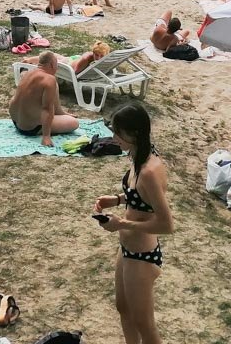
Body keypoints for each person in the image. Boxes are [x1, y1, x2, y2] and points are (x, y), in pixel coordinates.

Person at [92, 103, 174, 344]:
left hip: (142, 255)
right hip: (127, 249)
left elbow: (166, 224)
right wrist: (117, 199)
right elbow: (141, 199)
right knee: (123, 308)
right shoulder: (137, 156)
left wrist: (123, 224)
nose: (114, 138)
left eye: (119, 133)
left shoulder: (149, 170)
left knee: (145, 326)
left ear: (135, 133)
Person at [9, 51, 79, 146]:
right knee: (74, 123)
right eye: (56, 65)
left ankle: (60, 112)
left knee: (54, 85)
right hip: (30, 128)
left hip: (16, 121)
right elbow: (47, 109)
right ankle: (44, 130)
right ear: (51, 64)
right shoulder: (48, 80)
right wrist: (46, 136)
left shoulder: (29, 73)